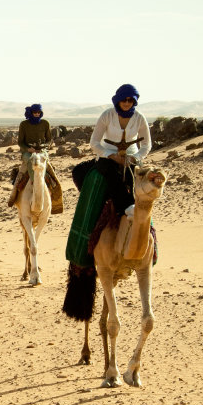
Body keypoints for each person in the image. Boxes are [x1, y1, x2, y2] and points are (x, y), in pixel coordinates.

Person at [65, 84, 152, 270]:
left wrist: (134, 158)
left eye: (131, 100)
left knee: (143, 184)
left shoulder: (139, 118)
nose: (127, 103)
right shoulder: (107, 115)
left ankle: (149, 240)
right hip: (108, 156)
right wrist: (111, 155)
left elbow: (146, 145)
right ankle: (120, 206)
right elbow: (94, 143)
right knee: (86, 172)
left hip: (131, 159)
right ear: (118, 100)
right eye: (124, 99)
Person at [7, 103, 64, 212]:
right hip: (28, 152)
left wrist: (43, 147)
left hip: (42, 151)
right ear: (31, 113)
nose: (37, 114)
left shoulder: (45, 123)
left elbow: (49, 140)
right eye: (35, 112)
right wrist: (29, 149)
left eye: (39, 112)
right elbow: (20, 142)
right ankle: (16, 195)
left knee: (50, 170)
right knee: (29, 162)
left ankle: (56, 197)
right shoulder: (24, 124)